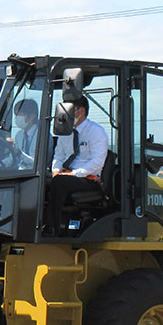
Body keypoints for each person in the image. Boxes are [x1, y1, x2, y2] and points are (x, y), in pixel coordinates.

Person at [45, 96, 108, 236]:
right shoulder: (65, 132)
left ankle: (52, 227)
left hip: (87, 178)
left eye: (69, 110)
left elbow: (97, 161)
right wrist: (56, 170)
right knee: (40, 179)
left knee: (60, 182)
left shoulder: (96, 131)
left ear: (81, 111)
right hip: (66, 174)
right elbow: (59, 156)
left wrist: (74, 174)